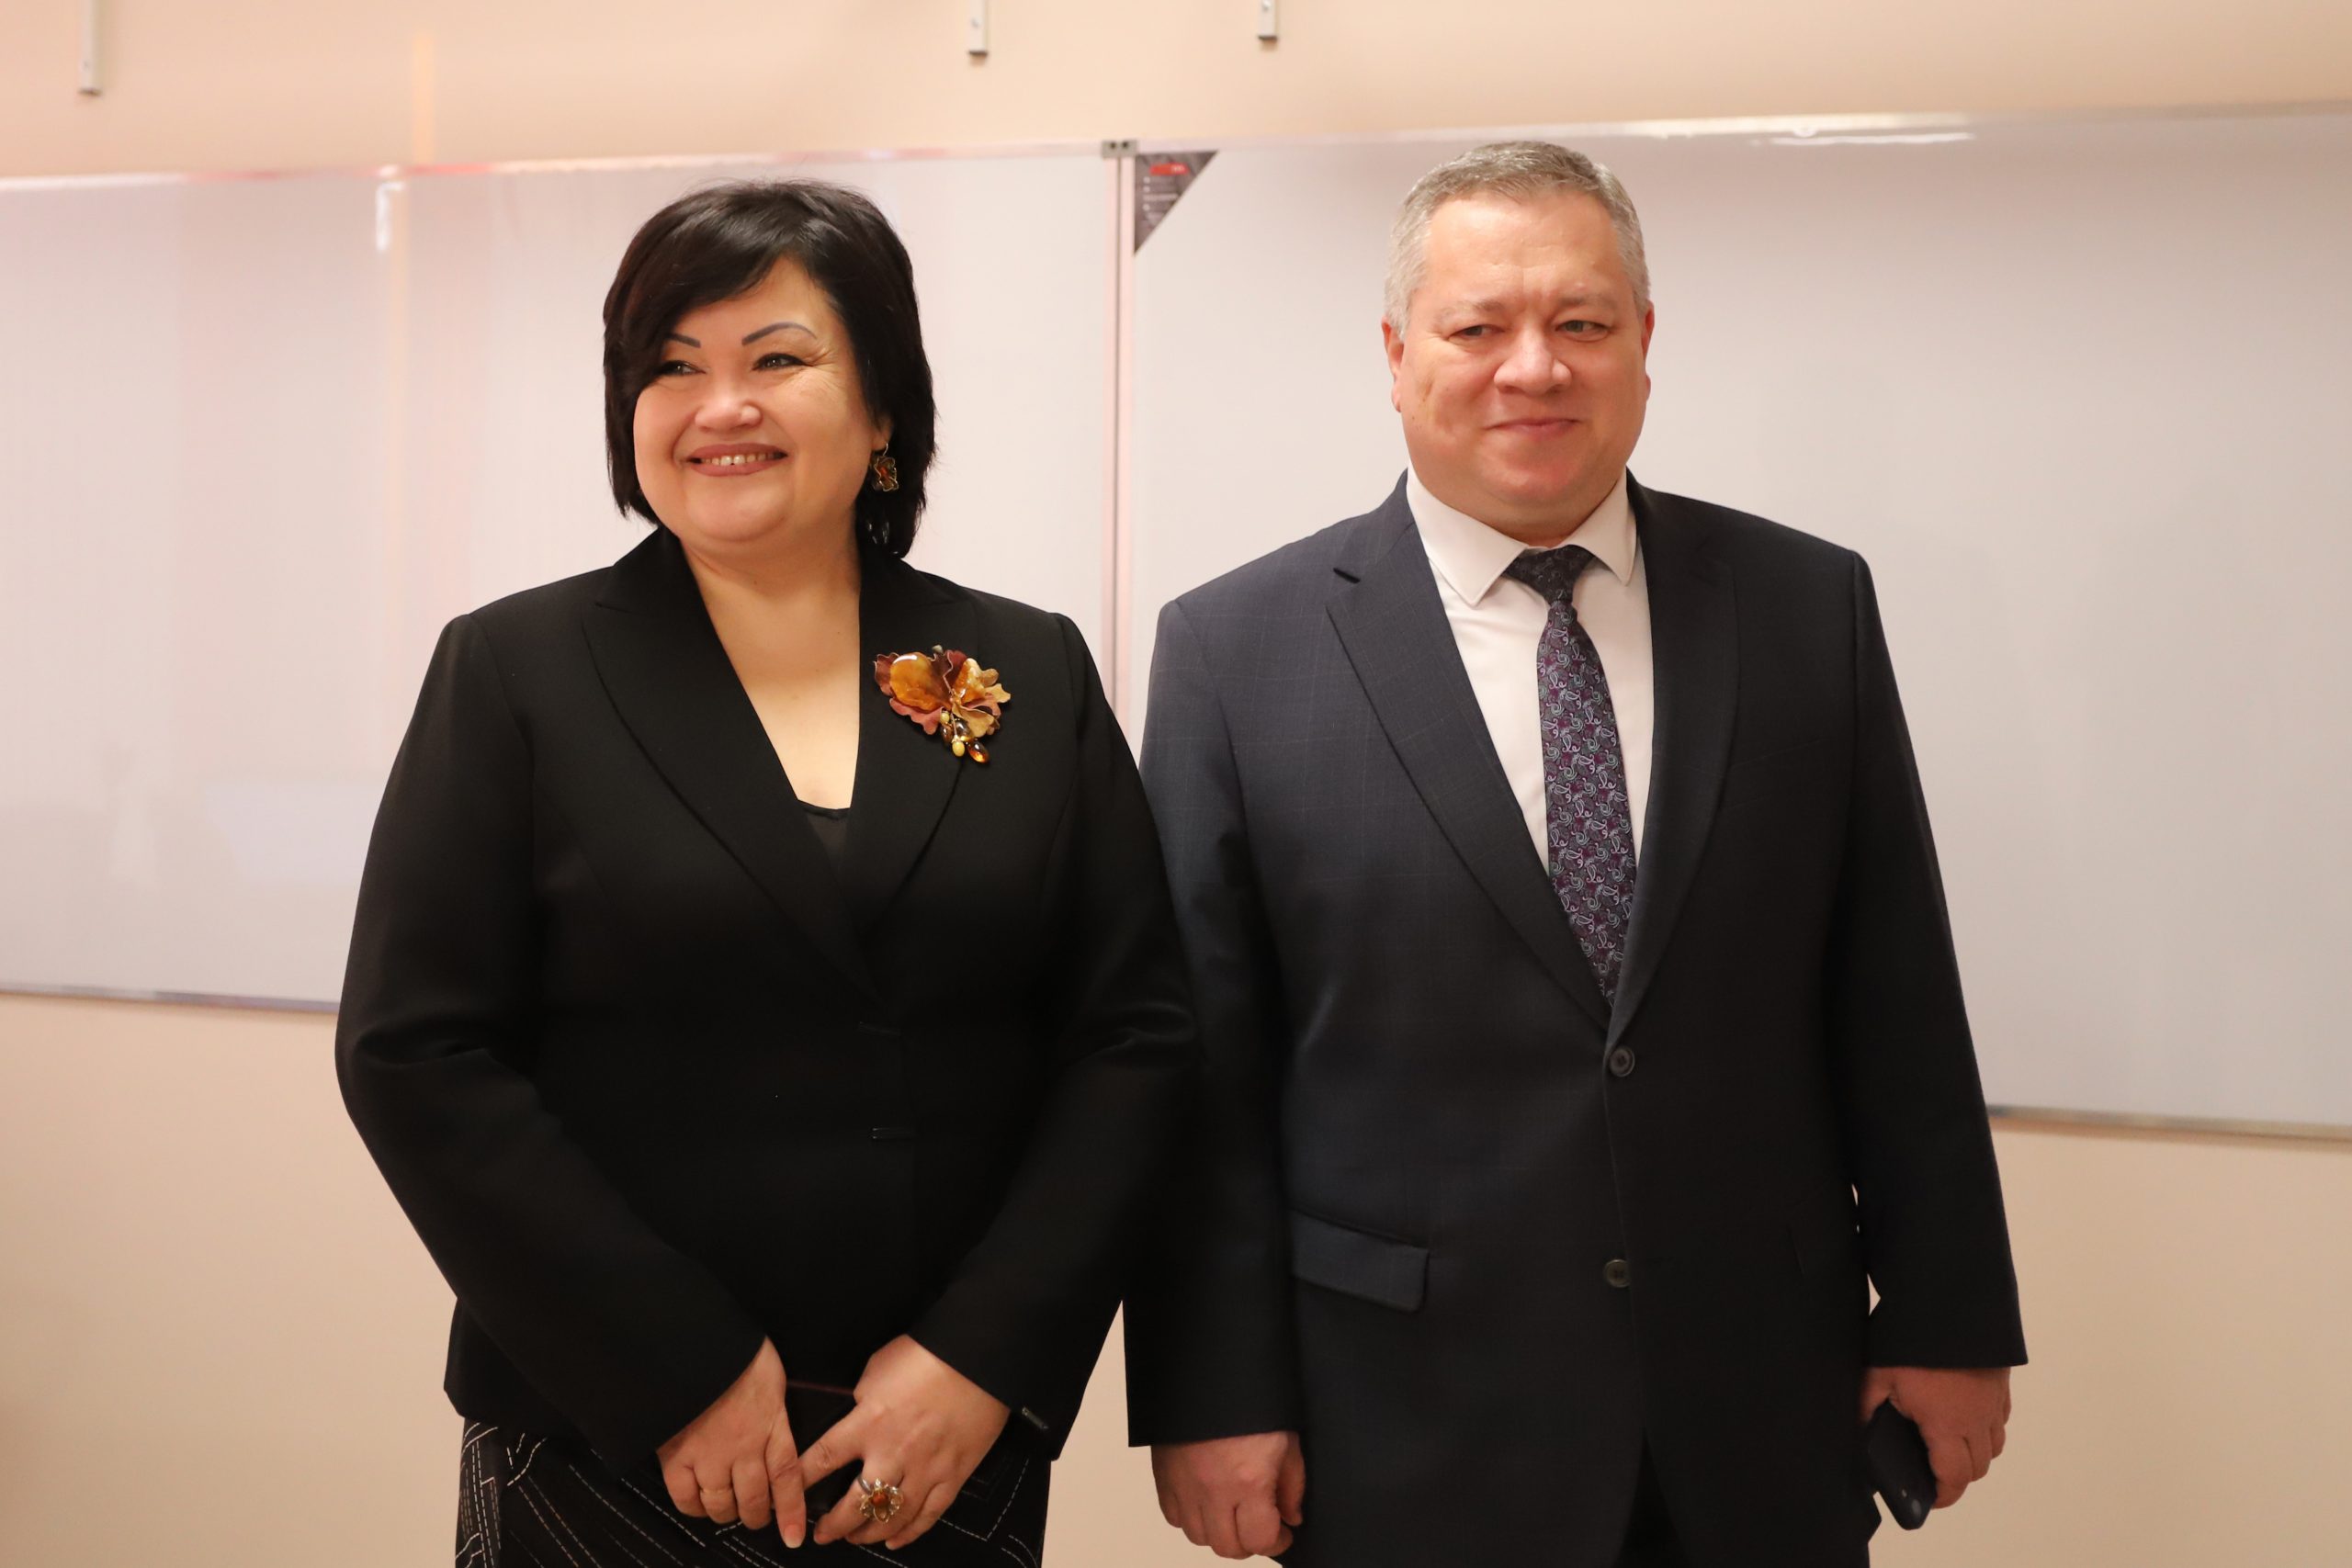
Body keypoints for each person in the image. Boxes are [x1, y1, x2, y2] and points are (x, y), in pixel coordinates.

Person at [1123, 141, 2025, 1567]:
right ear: (1397, 354)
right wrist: (1210, 1393)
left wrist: (1947, 1316)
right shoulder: (1235, 650)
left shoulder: (1805, 605)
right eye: (1478, 327)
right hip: (1399, 1425)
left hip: (1756, 1410)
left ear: (1644, 343)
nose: (1533, 367)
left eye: (1582, 323)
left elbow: (1897, 995)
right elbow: (1204, 1076)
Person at [338, 179, 1196, 1566]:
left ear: (884, 410)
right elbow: (415, 1050)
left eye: (777, 359)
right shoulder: (516, 672)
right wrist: (677, 1367)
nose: (719, 406)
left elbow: (1134, 1036)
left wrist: (984, 1356)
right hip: (612, 1439)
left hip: (933, 1447)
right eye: (672, 368)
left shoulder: (1024, 668)